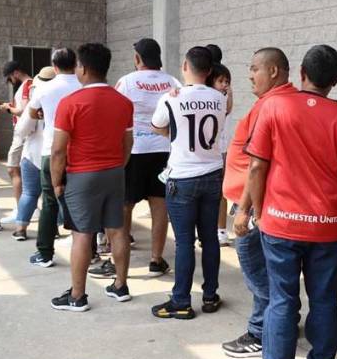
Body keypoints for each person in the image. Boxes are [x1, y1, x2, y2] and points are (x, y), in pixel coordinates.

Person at [240, 44, 337, 359]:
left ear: (302, 75)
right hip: (326, 226)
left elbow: (256, 166)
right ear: (335, 81)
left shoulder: (275, 107)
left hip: (280, 226)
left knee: (282, 300)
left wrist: (256, 211)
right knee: (325, 299)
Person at [219, 48, 295, 358]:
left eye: (254, 69)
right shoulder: (276, 103)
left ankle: (261, 332)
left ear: (274, 72)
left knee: (258, 274)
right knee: (267, 272)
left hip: (251, 205)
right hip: (260, 202)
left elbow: (257, 165)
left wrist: (246, 211)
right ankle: (279, 322)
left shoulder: (271, 106)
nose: (249, 75)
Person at [49, 43, 135, 311]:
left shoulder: (70, 103)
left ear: (83, 68)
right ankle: (120, 286)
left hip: (83, 175)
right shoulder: (123, 102)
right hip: (114, 173)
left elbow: (58, 150)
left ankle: (77, 295)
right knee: (118, 230)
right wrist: (117, 166)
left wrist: (56, 182)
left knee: (82, 234)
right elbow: (128, 143)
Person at [91, 38, 179, 281]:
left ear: (138, 58)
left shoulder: (127, 81)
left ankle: (117, 261)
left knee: (124, 206)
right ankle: (156, 259)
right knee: (159, 205)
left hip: (133, 151)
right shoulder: (172, 81)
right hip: (164, 151)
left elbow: (112, 110)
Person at [149, 46, 226, 320]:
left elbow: (156, 126)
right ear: (209, 71)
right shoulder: (220, 97)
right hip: (213, 173)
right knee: (209, 240)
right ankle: (210, 295)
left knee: (184, 243)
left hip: (182, 176)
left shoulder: (171, 98)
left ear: (185, 66)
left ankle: (181, 300)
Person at [27, 48, 81, 268]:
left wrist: (43, 114)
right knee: (81, 202)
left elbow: (31, 112)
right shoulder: (82, 85)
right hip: (79, 152)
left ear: (54, 65)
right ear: (76, 63)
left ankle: (45, 252)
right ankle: (91, 250)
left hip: (51, 150)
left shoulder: (44, 87)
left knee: (49, 202)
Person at [11, 66, 55, 241]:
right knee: (53, 196)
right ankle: (55, 229)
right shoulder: (62, 99)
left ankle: (21, 228)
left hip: (32, 153)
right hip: (55, 154)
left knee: (29, 193)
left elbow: (21, 130)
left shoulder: (35, 100)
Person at [0, 60, 34, 220]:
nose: (10, 81)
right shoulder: (28, 85)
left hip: (22, 133)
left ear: (15, 73)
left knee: (13, 169)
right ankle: (24, 208)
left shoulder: (28, 85)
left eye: (9, 77)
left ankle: (22, 209)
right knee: (20, 170)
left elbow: (23, 111)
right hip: (24, 133)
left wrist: (8, 109)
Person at [206, 58, 234, 246]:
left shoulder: (222, 99)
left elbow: (228, 109)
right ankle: (209, 229)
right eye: (221, 81)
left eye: (227, 81)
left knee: (222, 192)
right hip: (210, 152)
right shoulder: (209, 100)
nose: (224, 85)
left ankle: (221, 230)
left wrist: (229, 93)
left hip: (223, 150)